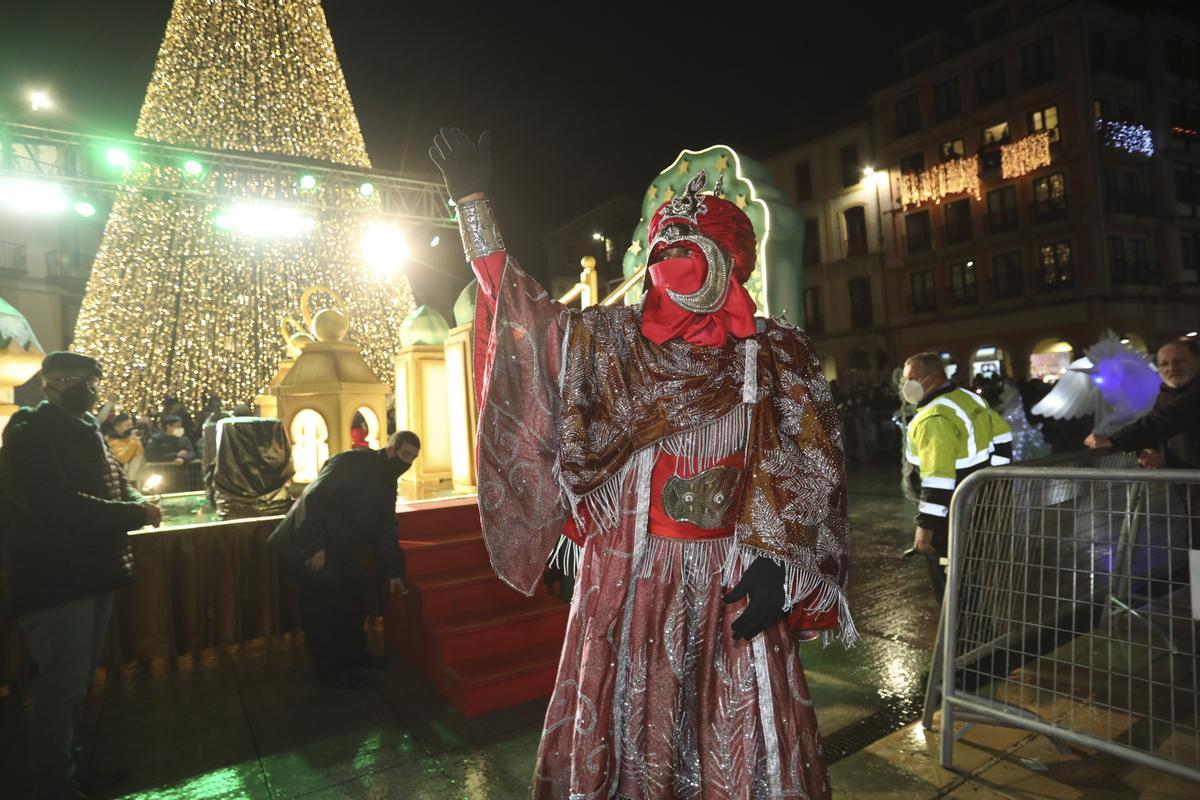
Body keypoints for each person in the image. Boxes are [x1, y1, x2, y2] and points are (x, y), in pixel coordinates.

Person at [430, 128, 850, 798]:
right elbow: (522, 319)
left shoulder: (776, 354)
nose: (673, 265)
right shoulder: (608, 343)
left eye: (692, 250)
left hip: (734, 580)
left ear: (730, 262)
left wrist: (782, 558)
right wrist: (473, 204)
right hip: (628, 581)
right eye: (665, 250)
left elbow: (812, 468)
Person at [0, 351, 162, 800]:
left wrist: (139, 501)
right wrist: (133, 512)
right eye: (72, 378)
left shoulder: (88, 430)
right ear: (48, 383)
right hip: (53, 577)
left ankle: (68, 769)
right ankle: (54, 785)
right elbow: (53, 503)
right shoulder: (31, 433)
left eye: (90, 380)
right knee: (60, 686)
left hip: (92, 569)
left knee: (76, 683)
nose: (84, 387)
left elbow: (115, 479)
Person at [268, 430, 419, 688]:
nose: (407, 463)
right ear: (391, 449)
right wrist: (314, 547)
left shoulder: (387, 480)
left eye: (413, 458)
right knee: (323, 610)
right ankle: (332, 671)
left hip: (339, 546)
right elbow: (314, 499)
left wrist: (392, 570)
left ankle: (357, 660)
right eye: (405, 455)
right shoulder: (351, 463)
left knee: (353, 599)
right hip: (306, 542)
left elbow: (386, 527)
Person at [900, 352, 1000, 599]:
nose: (905, 386)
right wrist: (995, 480)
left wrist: (926, 527)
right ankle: (977, 631)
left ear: (932, 378)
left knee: (949, 584)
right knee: (968, 575)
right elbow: (1003, 436)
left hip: (948, 513)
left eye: (911, 379)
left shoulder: (934, 417)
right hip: (975, 501)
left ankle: (955, 635)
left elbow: (937, 477)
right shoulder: (967, 399)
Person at [1084, 338, 1200, 470]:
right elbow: (1161, 427)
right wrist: (1149, 448)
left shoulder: (1194, 393)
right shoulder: (1167, 393)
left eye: (1180, 361)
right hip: (1185, 482)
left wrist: (1115, 440)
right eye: (1164, 364)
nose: (1172, 367)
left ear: (1197, 361)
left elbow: (1168, 418)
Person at [105, 413, 146, 482]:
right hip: (124, 480)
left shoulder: (131, 437)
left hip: (140, 476)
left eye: (131, 425)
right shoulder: (112, 441)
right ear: (117, 428)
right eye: (127, 426)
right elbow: (123, 459)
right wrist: (133, 441)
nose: (131, 428)